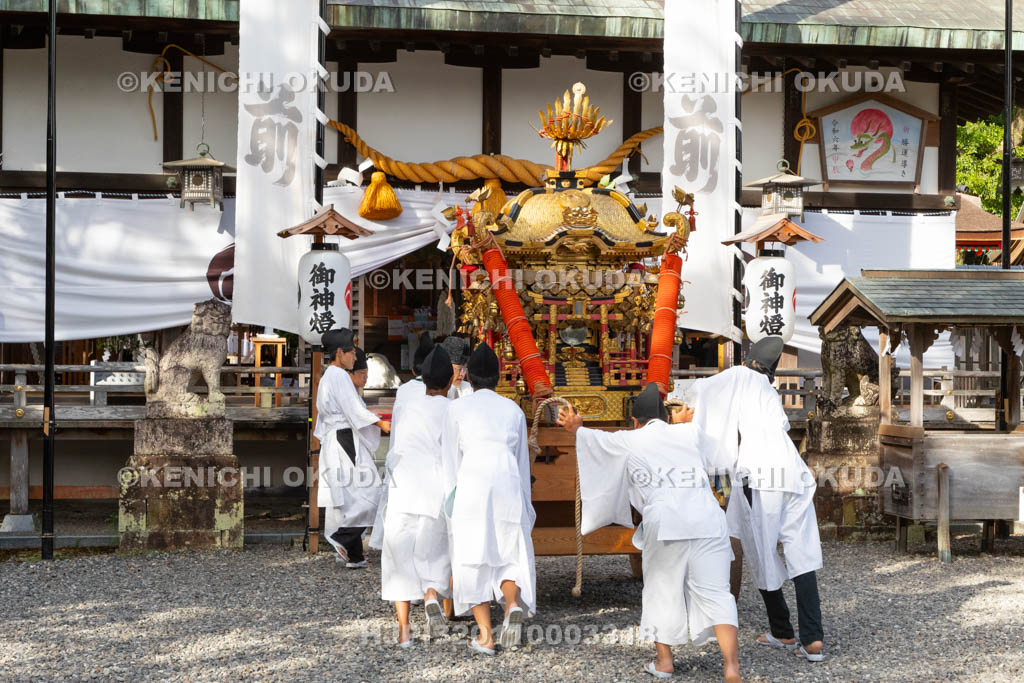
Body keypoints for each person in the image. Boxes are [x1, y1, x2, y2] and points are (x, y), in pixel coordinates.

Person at [557, 382, 740, 682]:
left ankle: (665, 662)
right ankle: (732, 667)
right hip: (708, 517)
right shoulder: (690, 432)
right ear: (666, 418)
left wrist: (576, 426)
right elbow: (718, 457)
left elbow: (594, 440)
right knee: (717, 593)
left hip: (667, 519)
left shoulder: (632, 439)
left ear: (635, 421)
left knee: (660, 590)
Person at [691, 336, 825, 662]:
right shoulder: (768, 389)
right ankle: (813, 638)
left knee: (761, 551)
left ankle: (782, 630)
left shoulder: (741, 375)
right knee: (801, 551)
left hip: (760, 475)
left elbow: (704, 390)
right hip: (793, 470)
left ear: (750, 361)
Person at [440, 342, 536, 655]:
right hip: (507, 479)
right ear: (498, 377)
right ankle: (510, 606)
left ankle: (486, 636)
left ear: (468, 375)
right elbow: (523, 461)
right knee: (509, 550)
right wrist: (525, 500)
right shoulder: (513, 409)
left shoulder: (457, 408)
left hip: (473, 480)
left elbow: (450, 459)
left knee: (473, 554)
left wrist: (450, 495)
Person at [380, 346, 455, 647]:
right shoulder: (453, 411)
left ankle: (403, 631)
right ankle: (431, 595)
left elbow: (395, 447)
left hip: (403, 485)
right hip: (435, 487)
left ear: (422, 381)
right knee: (435, 550)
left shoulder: (407, 407)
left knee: (399, 554)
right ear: (451, 382)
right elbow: (454, 455)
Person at [316, 329, 391, 569]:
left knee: (348, 497)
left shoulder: (330, 375)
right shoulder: (338, 375)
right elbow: (353, 409)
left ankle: (354, 555)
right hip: (344, 439)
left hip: (338, 438)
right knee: (370, 492)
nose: (353, 357)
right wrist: (379, 423)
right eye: (351, 353)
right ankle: (343, 538)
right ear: (340, 353)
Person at [369, 332, 435, 551]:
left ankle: (390, 546)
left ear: (414, 369)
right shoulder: (444, 392)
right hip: (429, 459)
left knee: (398, 513)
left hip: (401, 456)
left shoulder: (405, 391)